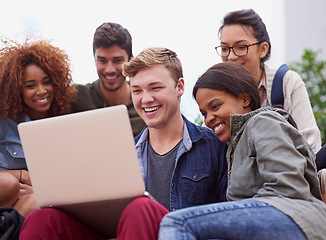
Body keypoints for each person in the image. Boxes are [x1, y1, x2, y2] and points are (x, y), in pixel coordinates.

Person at [19, 47, 228, 240]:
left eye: (155, 88)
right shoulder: (122, 153)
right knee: (42, 220)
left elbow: (230, 219)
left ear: (179, 87)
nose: (146, 99)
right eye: (137, 91)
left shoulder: (213, 146)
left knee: (140, 208)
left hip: (183, 235)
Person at [158, 62, 326, 240]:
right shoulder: (232, 148)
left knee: (178, 222)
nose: (208, 119)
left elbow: (288, 186)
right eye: (204, 113)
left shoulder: (263, 121)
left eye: (215, 107)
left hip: (296, 218)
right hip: (268, 222)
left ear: (245, 99)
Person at [215, 8, 321, 153]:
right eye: (225, 48)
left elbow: (311, 145)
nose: (231, 56)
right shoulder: (217, 94)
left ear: (263, 49)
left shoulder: (286, 83)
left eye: (241, 47)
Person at [0, 38, 76, 218]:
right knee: (8, 184)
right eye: (30, 86)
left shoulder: (64, 123)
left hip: (26, 202)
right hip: (6, 190)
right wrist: (22, 175)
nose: (41, 91)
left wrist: (40, 188)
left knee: (37, 202)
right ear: (16, 89)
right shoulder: (5, 121)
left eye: (46, 82)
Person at [70, 22, 145, 137]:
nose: (110, 70)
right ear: (94, 60)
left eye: (117, 60)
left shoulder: (146, 101)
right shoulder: (76, 96)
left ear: (131, 61)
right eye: (102, 61)